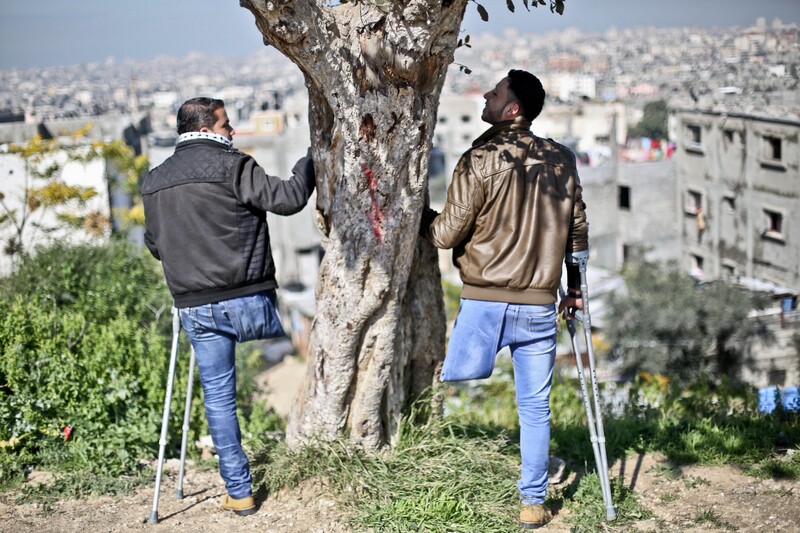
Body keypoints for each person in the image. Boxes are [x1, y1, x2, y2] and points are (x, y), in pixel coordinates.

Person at [420, 70, 589, 529]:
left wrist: (420, 214)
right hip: (539, 305)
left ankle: (423, 461)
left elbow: (445, 235)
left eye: (494, 93)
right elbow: (577, 233)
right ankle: (532, 503)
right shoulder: (562, 158)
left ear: (511, 109)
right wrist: (574, 290)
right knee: (535, 408)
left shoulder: (480, 157)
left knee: (440, 378)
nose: (487, 97)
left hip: (484, 303)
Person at [142, 97, 315, 516]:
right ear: (207, 127)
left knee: (218, 399)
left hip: (195, 306)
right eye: (226, 125)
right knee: (311, 349)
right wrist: (311, 160)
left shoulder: (153, 181)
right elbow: (289, 199)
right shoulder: (234, 165)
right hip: (249, 301)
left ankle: (239, 492)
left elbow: (153, 244)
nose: (232, 131)